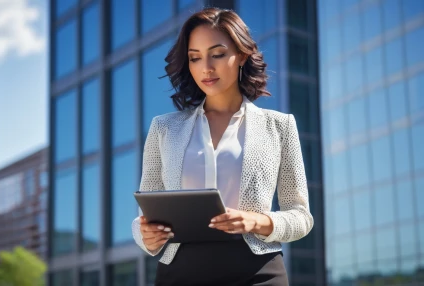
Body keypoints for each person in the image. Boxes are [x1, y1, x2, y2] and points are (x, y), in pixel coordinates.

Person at [131, 7, 313, 286]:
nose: (206, 67)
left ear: (241, 55)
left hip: (257, 272)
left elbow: (301, 217)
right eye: (195, 58)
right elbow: (145, 217)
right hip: (180, 273)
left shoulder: (279, 126)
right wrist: (144, 234)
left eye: (217, 54)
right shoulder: (164, 128)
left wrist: (256, 221)